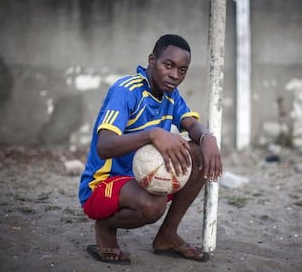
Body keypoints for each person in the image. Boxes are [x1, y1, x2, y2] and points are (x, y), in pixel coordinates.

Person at [78, 34, 222, 264]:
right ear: (152, 60)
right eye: (169, 65)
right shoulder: (126, 90)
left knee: (197, 153)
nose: (175, 75)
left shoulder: (171, 95)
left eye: (182, 70)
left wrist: (207, 137)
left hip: (139, 179)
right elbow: (104, 147)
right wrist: (153, 134)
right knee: (152, 205)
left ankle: (167, 236)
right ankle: (105, 228)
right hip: (102, 186)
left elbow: (191, 124)